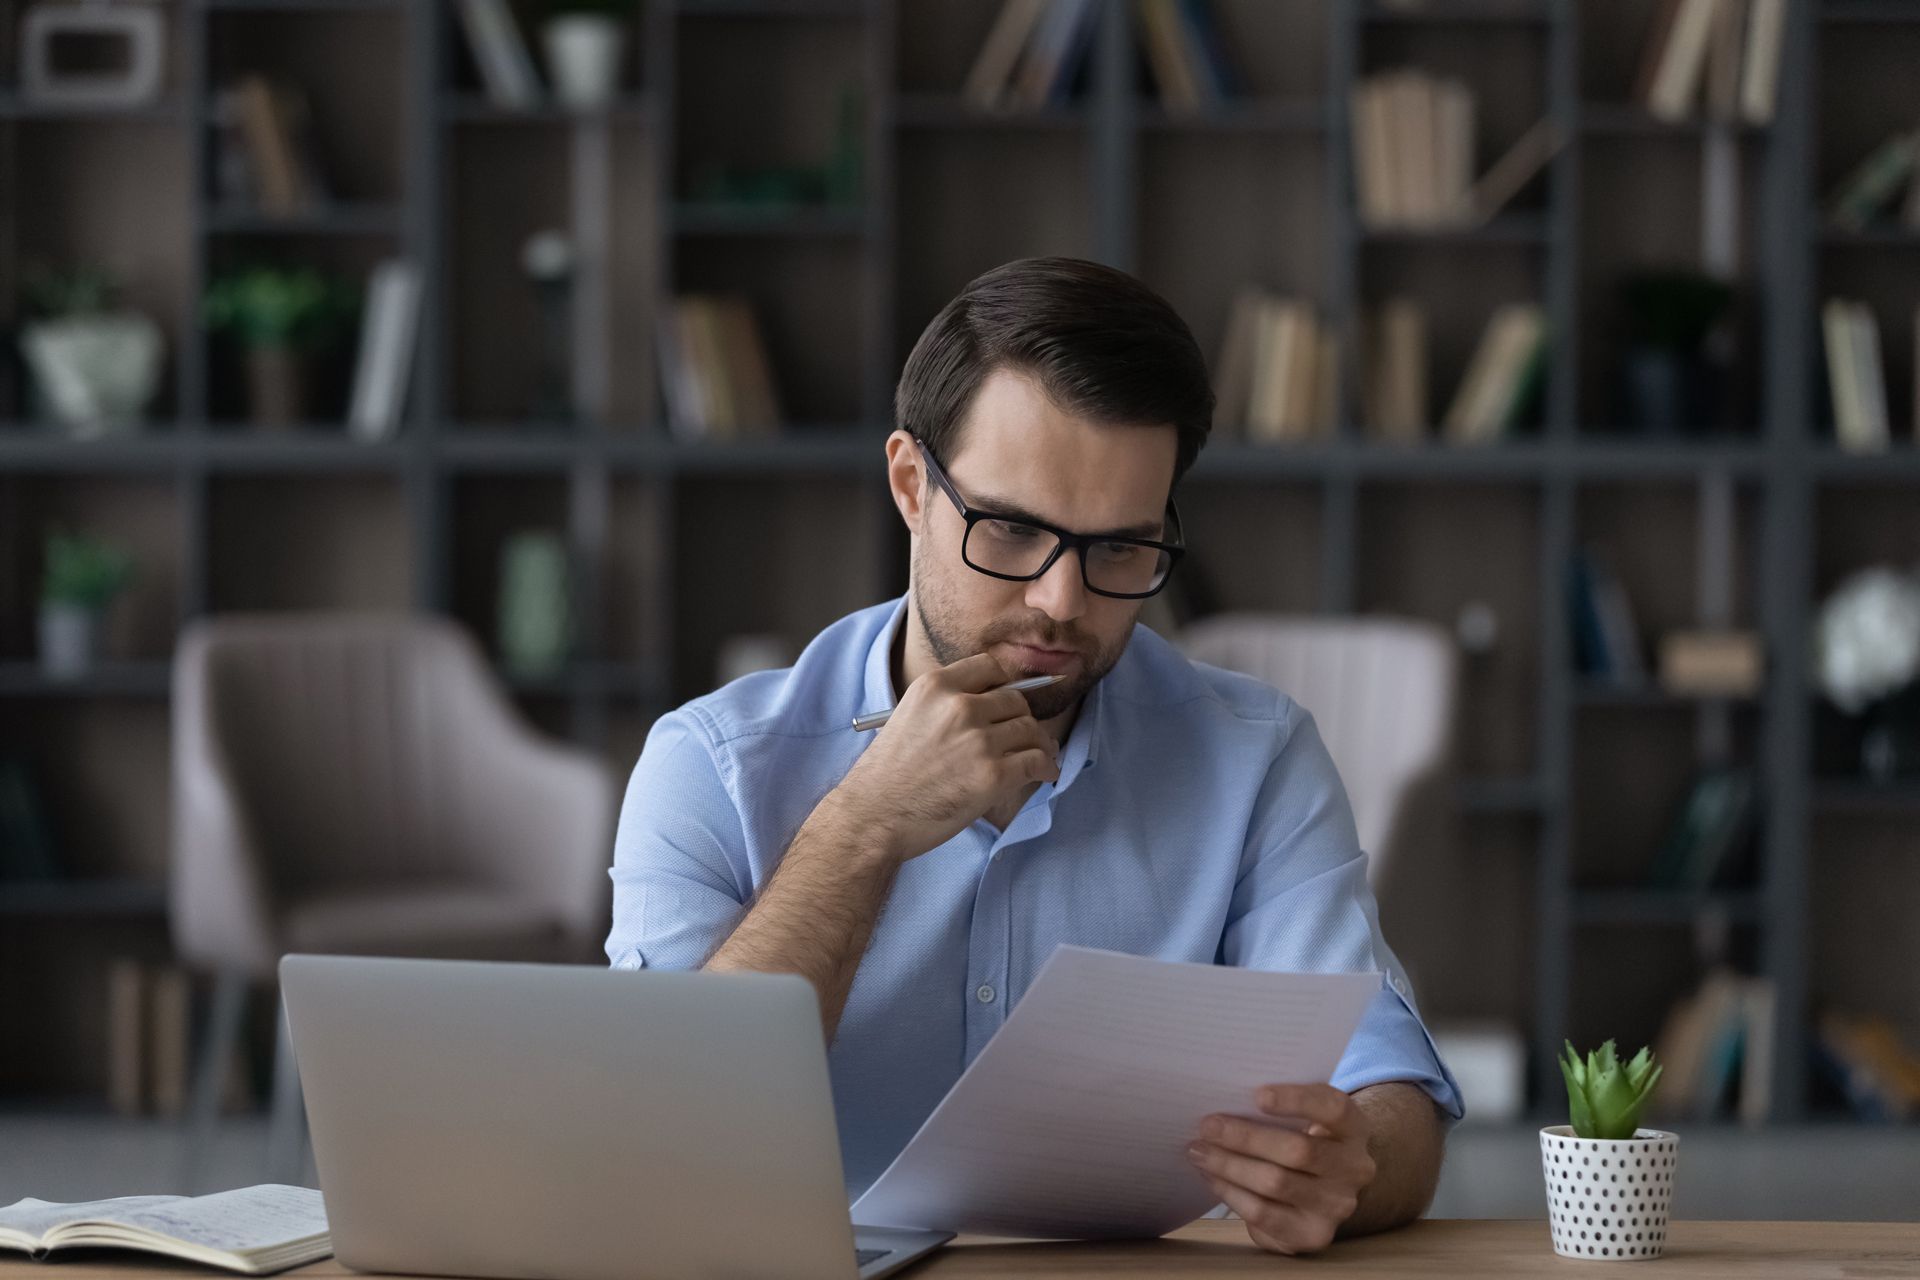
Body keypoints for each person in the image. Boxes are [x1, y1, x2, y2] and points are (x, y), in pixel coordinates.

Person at [606, 256, 1463, 1256]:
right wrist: (863, 827)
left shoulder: (1256, 759)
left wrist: (1347, 1167)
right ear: (911, 485)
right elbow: (656, 1137)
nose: (1063, 601)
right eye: (1011, 529)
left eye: (1120, 549)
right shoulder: (710, 764)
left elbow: (1390, 1095)